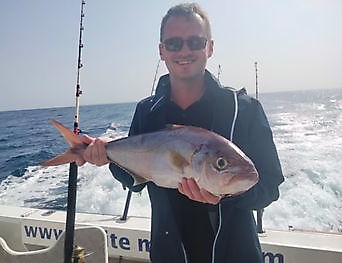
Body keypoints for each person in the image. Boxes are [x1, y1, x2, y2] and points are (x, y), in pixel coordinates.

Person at [77, 3, 284, 263]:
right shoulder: (147, 111)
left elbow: (269, 184)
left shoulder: (244, 110)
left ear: (210, 47)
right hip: (169, 254)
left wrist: (230, 194)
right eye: (174, 44)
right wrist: (105, 155)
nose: (184, 51)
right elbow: (135, 181)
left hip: (236, 254)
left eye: (195, 42)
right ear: (161, 51)